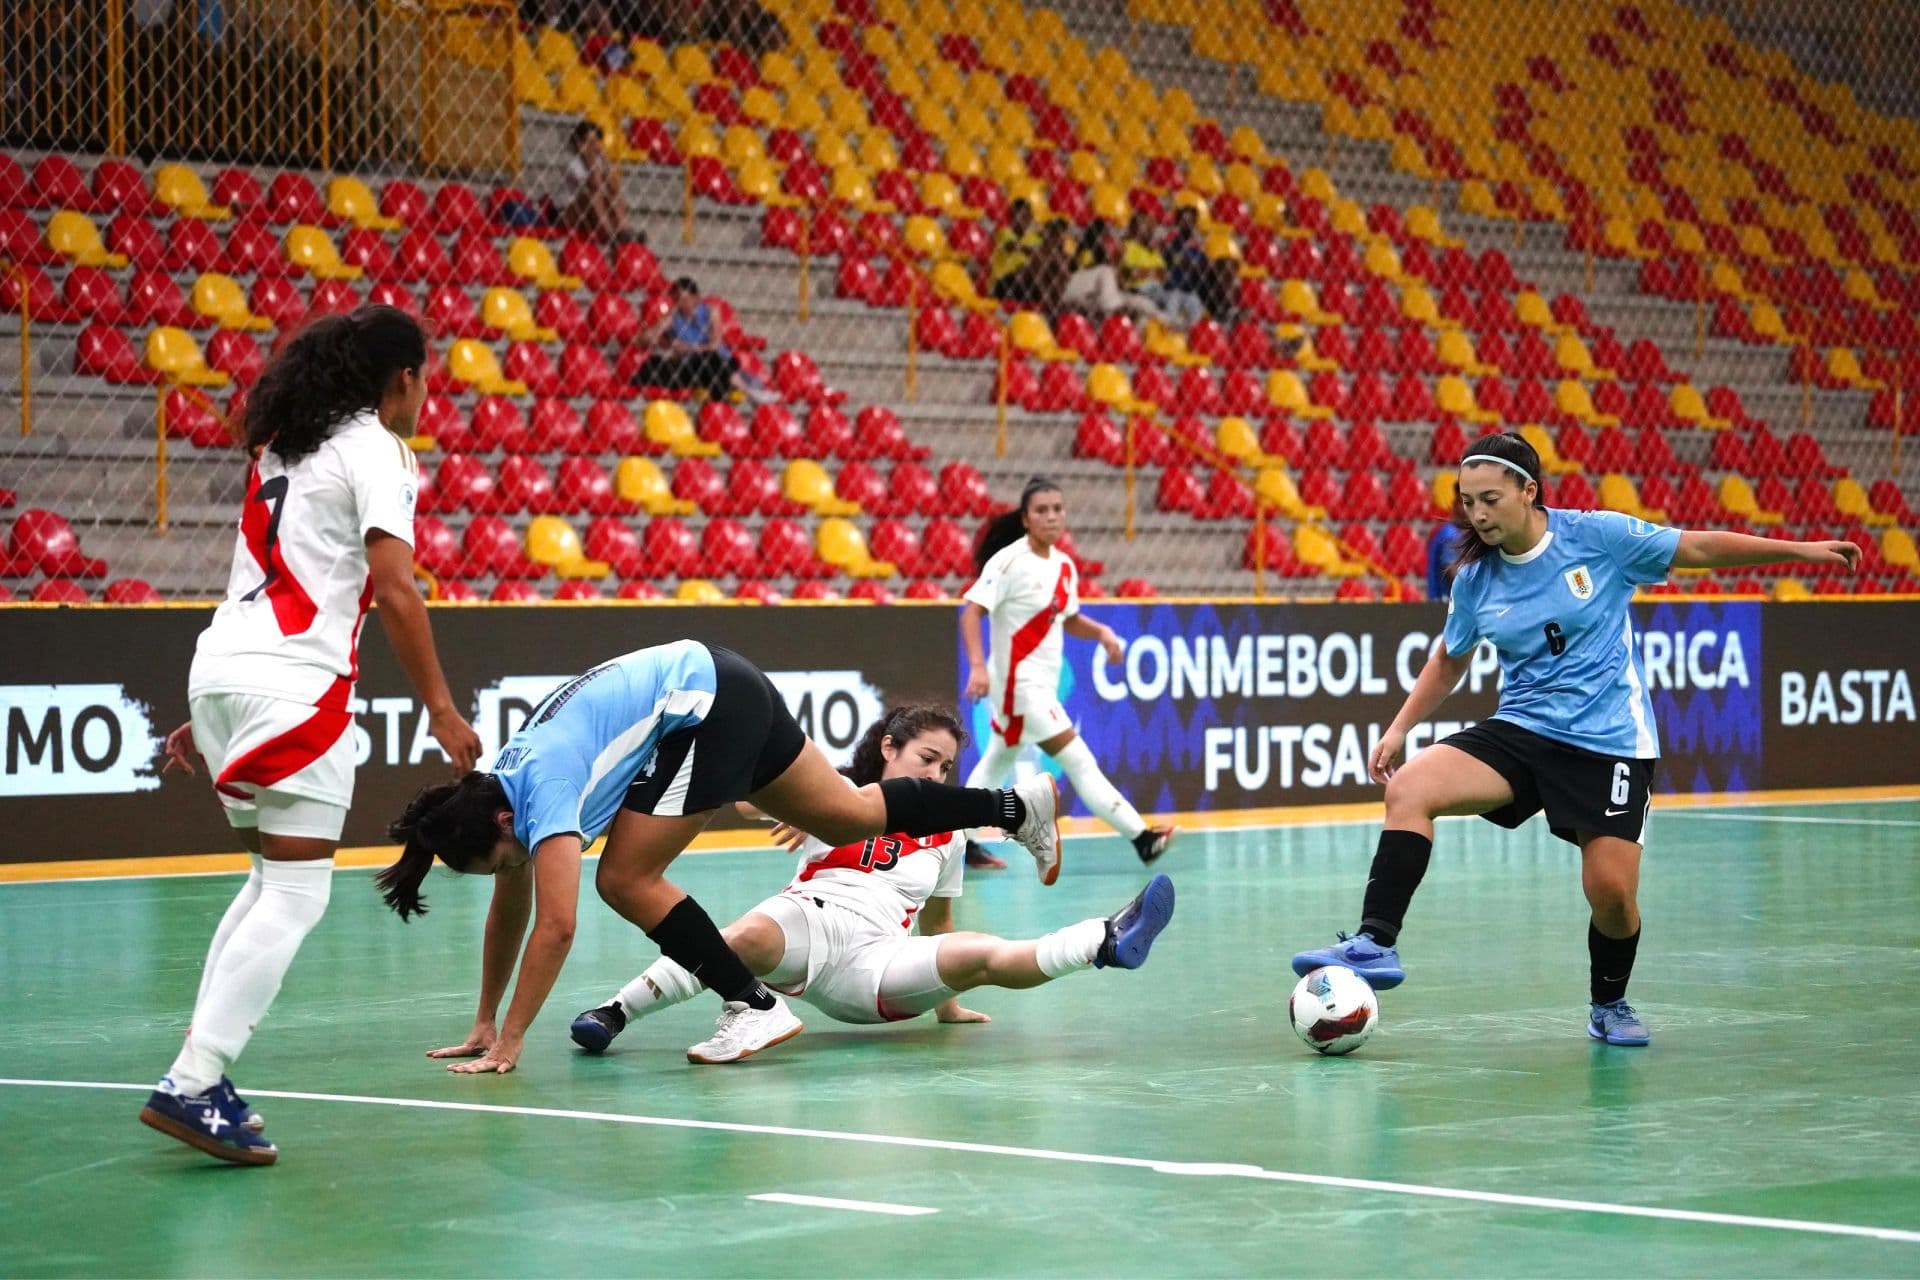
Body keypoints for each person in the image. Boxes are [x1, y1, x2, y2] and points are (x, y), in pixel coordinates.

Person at [1290, 431, 1862, 1046]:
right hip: (1523, 729)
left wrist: (1800, 550)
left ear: (1528, 491)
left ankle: (1609, 1003)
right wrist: (1400, 727)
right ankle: (1376, 941)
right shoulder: (1475, 579)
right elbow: (1452, 658)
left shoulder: (1598, 538)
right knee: (1410, 788)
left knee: (1611, 894)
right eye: (1467, 502)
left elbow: (1696, 546)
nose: (1477, 514)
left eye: (1490, 499)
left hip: (1609, 741)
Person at [141, 305, 483, 1167]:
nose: (425, 395)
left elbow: (262, 577)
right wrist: (442, 709)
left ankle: (201, 1070)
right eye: (426, 378)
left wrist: (216, 710)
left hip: (224, 674)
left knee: (269, 881)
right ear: (403, 378)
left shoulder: (282, 444)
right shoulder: (379, 449)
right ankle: (192, 1079)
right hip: (297, 685)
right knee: (295, 895)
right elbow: (396, 588)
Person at [376, 642, 1064, 1070]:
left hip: (705, 708)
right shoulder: (502, 789)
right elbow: (510, 909)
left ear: (503, 822)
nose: (510, 870)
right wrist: (486, 1018)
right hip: (728, 681)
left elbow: (554, 926)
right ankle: (1015, 808)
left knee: (624, 879)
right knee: (850, 814)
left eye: (502, 860)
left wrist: (512, 1042)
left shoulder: (543, 788)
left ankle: (752, 1003)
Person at [570, 705, 1175, 1057]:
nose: (936, 775)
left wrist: (948, 1005)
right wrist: (788, 803)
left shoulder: (949, 834)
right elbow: (749, 799)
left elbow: (939, 922)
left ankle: (1105, 939)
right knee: (741, 937)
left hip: (878, 963)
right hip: (808, 922)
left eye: (945, 767)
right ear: (889, 747)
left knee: (982, 952)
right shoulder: (834, 793)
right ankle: (614, 1012)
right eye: (926, 759)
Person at [961, 477, 1175, 867]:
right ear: (1026, 519)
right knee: (1079, 761)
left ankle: (959, 842)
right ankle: (1141, 838)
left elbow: (1069, 618)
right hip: (1018, 687)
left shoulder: (1063, 565)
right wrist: (977, 667)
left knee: (997, 760)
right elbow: (972, 613)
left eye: (1057, 509)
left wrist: (1102, 633)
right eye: (1041, 510)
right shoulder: (1008, 562)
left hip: (1037, 687)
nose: (1051, 516)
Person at [629, 276, 777, 403]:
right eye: (676, 299)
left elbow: (714, 345)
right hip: (694, 365)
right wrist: (666, 342)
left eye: (683, 299)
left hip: (720, 361)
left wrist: (686, 347)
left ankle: (743, 388)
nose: (679, 304)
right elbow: (643, 339)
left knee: (712, 358)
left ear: (696, 297)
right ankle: (749, 392)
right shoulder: (673, 319)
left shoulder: (711, 312)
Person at [1063, 219, 1174, 324]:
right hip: (1085, 293)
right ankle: (1114, 312)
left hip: (1107, 296)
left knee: (1142, 302)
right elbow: (1125, 274)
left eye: (1109, 237)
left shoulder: (1109, 256)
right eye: (1106, 236)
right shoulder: (1087, 253)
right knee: (1106, 272)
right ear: (1096, 236)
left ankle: (1170, 323)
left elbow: (1121, 279)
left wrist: (1118, 264)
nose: (1110, 240)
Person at [1121, 210, 1205, 330]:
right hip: (1139, 290)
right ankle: (1172, 327)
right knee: (1171, 300)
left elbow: (1164, 274)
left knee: (1191, 299)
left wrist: (1148, 272)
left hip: (1158, 290)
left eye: (1149, 226)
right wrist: (1153, 272)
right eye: (1143, 225)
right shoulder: (1126, 246)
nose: (1148, 229)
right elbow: (1132, 273)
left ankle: (1192, 331)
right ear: (1133, 228)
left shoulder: (1153, 251)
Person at [551, 119, 627, 246]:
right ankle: (608, 235)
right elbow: (595, 184)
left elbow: (614, 188)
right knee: (594, 196)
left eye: (595, 142)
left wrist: (605, 160)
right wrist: (590, 159)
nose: (593, 146)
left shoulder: (599, 162)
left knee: (614, 198)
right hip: (566, 212)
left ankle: (624, 232)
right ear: (579, 143)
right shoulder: (571, 162)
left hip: (589, 214)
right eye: (588, 141)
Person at [991, 217, 1073, 311]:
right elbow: (1015, 247)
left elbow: (1062, 280)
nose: (1059, 238)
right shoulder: (1039, 251)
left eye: (1060, 235)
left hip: (1036, 294)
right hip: (1018, 289)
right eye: (1054, 234)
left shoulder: (1063, 257)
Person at [987, 198, 1039, 298]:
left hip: (1024, 285)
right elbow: (1010, 246)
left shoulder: (1034, 239)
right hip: (1000, 284)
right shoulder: (1004, 232)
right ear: (1011, 218)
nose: (1020, 221)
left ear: (1030, 218)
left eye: (1024, 217)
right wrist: (1033, 251)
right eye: (1016, 217)